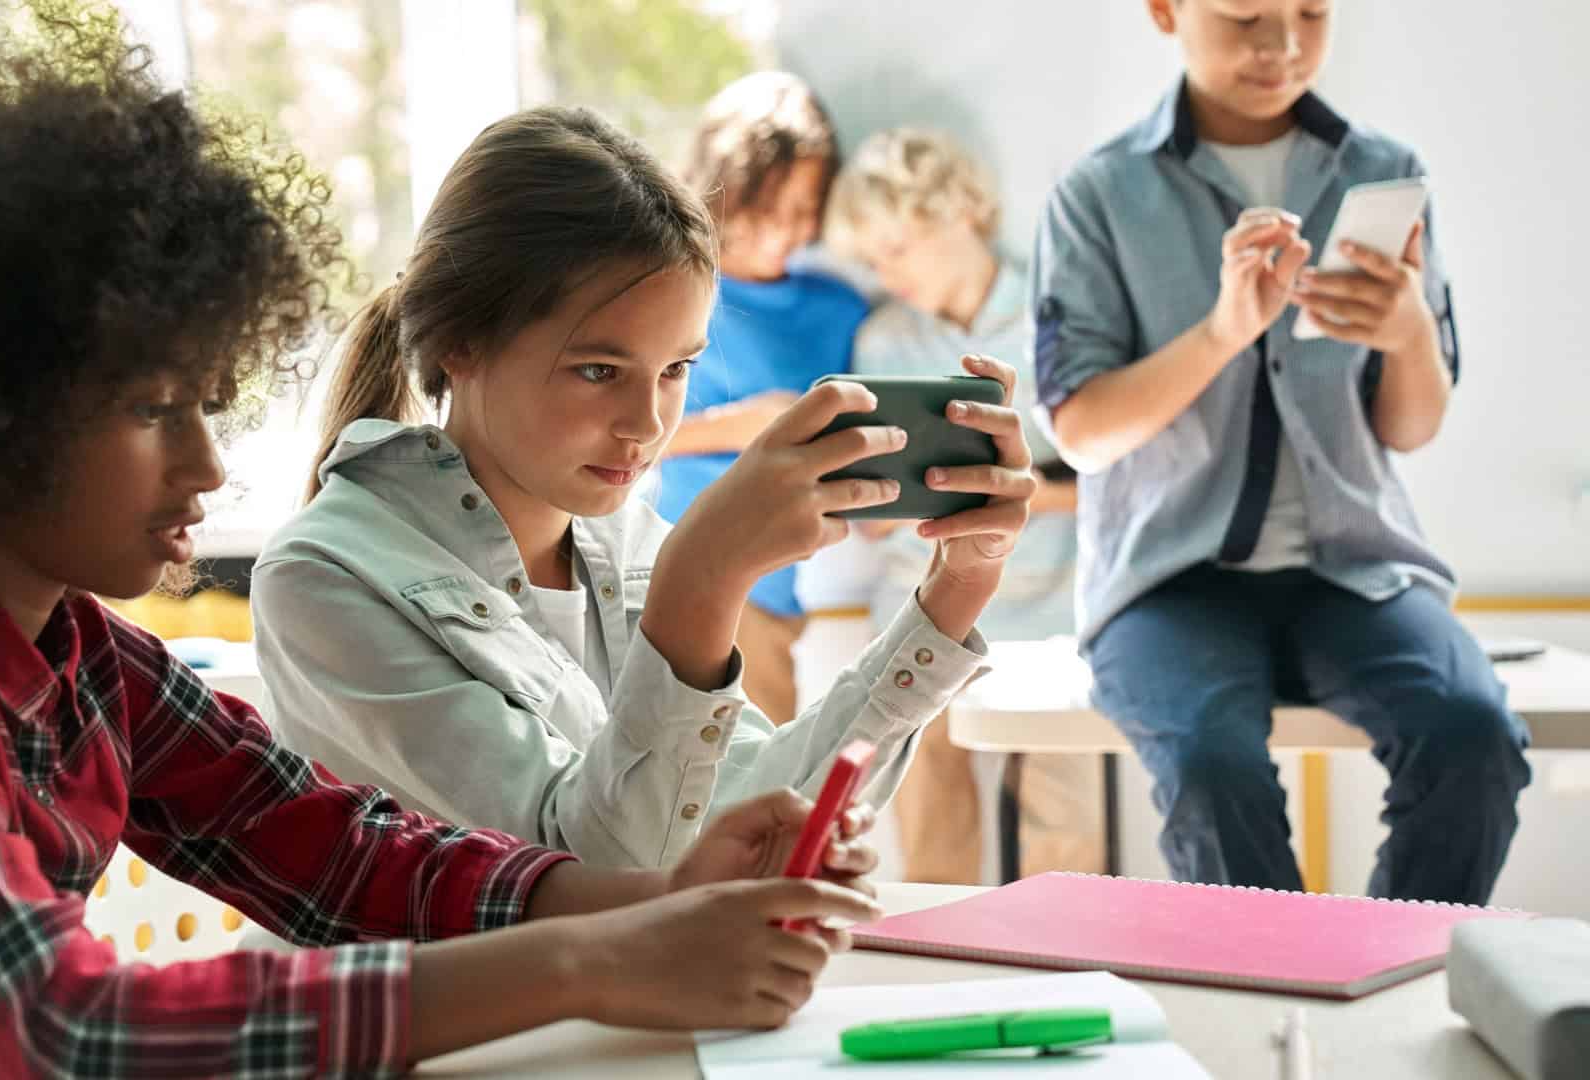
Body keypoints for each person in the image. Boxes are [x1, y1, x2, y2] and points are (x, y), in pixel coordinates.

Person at [0, 8, 890, 1075]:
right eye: (155, 410)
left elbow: (348, 856)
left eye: (207, 402)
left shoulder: (88, 661)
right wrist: (589, 957)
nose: (206, 464)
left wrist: (656, 901)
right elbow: (67, 1030)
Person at [249, 104, 1038, 869]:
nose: (646, 424)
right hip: (438, 1005)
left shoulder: (621, 541)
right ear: (462, 341)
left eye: (676, 370)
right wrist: (703, 578)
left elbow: (755, 815)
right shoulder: (324, 581)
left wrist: (956, 589)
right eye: (599, 369)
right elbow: (599, 879)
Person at [1031, 0, 1529, 902]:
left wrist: (1410, 333)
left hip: (1357, 569)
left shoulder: (1385, 172)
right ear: (1166, 11)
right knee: (1213, 771)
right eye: (1247, 15)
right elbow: (1081, 431)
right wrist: (1223, 331)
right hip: (1167, 584)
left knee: (1473, 735)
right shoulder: (1098, 193)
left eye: (1310, 11)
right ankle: (1275, 1000)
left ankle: (1382, 985)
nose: (1283, 45)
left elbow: (1410, 429)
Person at [819, 127, 1103, 883]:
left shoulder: (1060, 320)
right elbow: (874, 504)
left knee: (1064, 824)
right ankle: (939, 969)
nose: (889, 271)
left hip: (1051, 618)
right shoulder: (883, 340)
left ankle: (1061, 970)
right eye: (874, 257)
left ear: (964, 214)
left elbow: (1113, 474)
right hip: (919, 609)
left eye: (902, 246)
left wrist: (1017, 493)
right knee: (927, 817)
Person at [653, 72, 867, 724]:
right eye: (768, 209)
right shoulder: (675, 290)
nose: (785, 231)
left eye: (803, 211)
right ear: (726, 189)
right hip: (690, 570)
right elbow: (626, 436)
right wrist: (745, 426)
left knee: (762, 785)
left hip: (789, 587)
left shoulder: (839, 310)